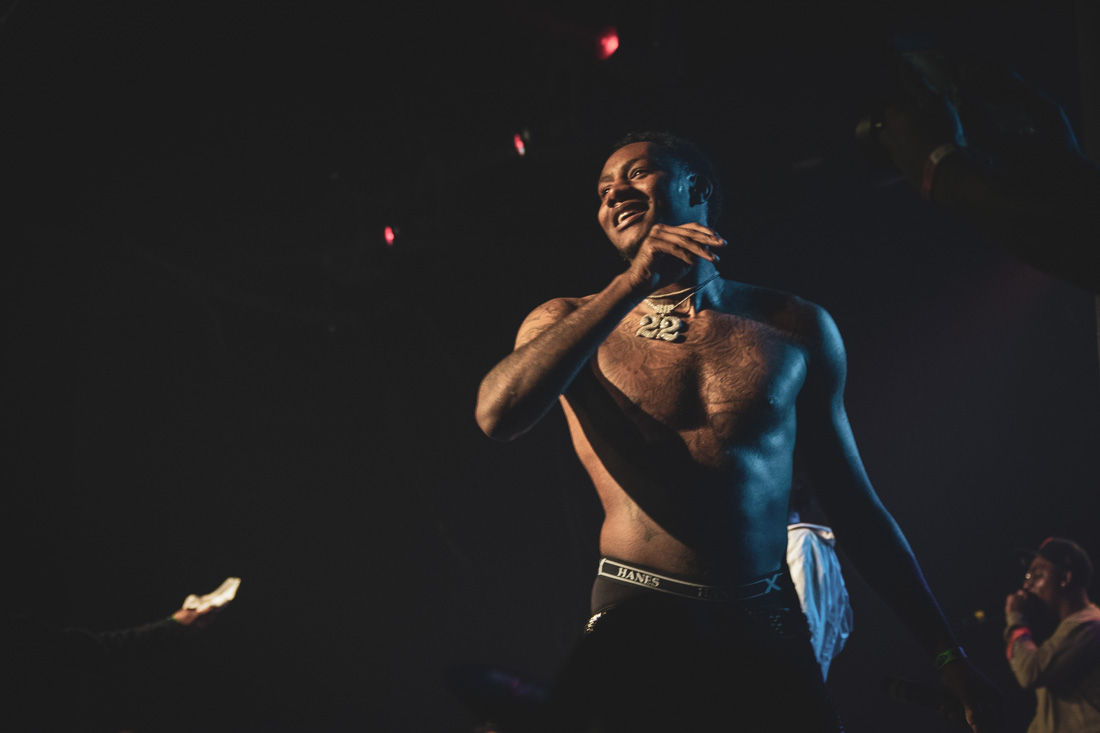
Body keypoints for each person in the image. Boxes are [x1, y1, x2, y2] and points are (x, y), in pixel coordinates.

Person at [475, 130, 1004, 732]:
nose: (615, 193)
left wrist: (944, 651)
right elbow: (498, 414)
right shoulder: (568, 319)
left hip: (764, 613)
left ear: (695, 188)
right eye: (602, 191)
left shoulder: (793, 326)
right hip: (643, 608)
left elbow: (853, 504)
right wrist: (632, 285)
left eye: (636, 173)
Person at [1005, 537, 1100, 733]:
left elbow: (1030, 672)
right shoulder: (1069, 631)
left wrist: (1015, 621)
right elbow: (1050, 717)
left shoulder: (1089, 625)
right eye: (1027, 576)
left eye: (1036, 575)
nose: (1026, 586)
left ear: (1064, 578)